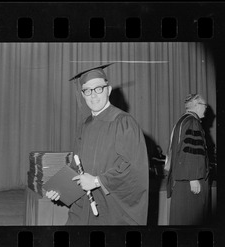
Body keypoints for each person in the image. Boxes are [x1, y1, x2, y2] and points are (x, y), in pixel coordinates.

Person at [46, 64, 149, 225]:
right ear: (82, 94)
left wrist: (96, 181)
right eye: (87, 90)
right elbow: (77, 166)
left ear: (108, 90)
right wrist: (61, 190)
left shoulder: (123, 122)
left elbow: (134, 169)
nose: (93, 95)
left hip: (112, 207)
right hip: (83, 205)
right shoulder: (85, 125)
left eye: (98, 89)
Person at [165, 93, 210, 225]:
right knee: (191, 218)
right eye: (204, 105)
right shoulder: (192, 122)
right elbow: (191, 150)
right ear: (196, 105)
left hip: (181, 178)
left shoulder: (182, 120)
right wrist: (193, 178)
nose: (206, 108)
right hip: (190, 182)